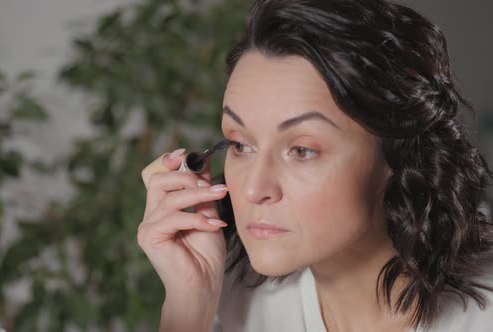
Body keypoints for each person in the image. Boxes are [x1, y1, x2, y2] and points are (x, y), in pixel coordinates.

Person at [138, 0, 493, 331]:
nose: (252, 190)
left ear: (397, 155)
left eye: (302, 150)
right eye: (240, 145)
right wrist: (189, 302)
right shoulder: (238, 292)